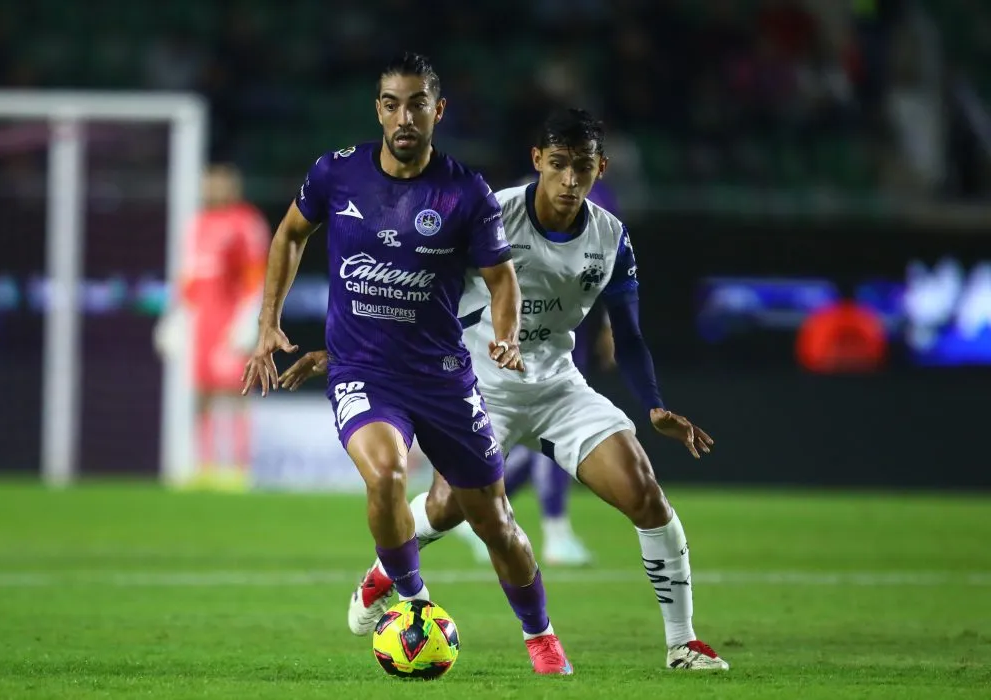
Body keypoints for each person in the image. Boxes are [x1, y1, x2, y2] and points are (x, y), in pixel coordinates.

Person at [281, 108, 729, 671]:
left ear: (601, 169)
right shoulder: (491, 212)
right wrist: (355, 352)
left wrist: (656, 403)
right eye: (559, 165)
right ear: (537, 161)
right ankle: (382, 575)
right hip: (478, 383)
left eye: (583, 168)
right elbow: (418, 285)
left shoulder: (611, 237)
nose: (570, 180)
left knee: (645, 494)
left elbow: (630, 334)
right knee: (447, 509)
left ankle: (682, 643)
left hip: (558, 384)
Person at [241, 53, 572, 675]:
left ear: (437, 111)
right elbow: (288, 234)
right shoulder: (336, 174)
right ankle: (414, 602)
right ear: (378, 109)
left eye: (417, 103)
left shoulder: (465, 191)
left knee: (493, 520)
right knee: (387, 473)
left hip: (442, 377)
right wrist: (268, 323)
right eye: (392, 103)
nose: (404, 116)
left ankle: (541, 636)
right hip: (363, 372)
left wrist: (505, 338)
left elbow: (503, 280)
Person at [452, 180, 621, 566]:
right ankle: (554, 532)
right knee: (544, 438)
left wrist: (610, 325)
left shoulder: (598, 204)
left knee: (542, 442)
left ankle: (473, 508)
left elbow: (606, 265)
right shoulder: (518, 203)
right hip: (519, 337)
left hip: (558, 333)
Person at [154, 164, 269, 491]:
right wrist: (175, 317)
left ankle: (237, 468)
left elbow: (256, 274)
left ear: (233, 186)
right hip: (200, 321)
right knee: (201, 394)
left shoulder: (246, 223)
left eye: (219, 184)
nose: (213, 190)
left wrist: (249, 319)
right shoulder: (196, 225)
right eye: (208, 184)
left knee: (236, 391)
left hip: (231, 320)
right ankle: (203, 466)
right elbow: (187, 278)